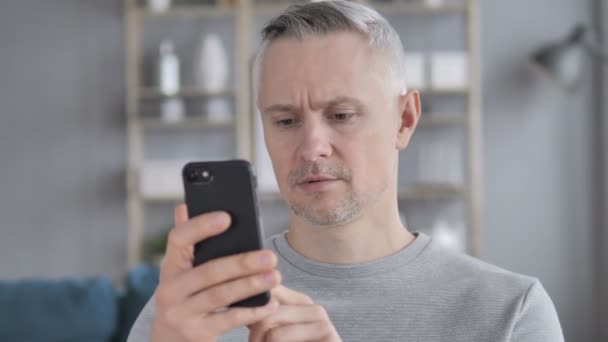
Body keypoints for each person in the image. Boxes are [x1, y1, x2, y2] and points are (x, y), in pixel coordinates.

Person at [128, 1, 564, 341]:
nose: (312, 146)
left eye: (341, 115)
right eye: (285, 121)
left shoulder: (510, 313)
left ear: (405, 119)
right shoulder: (189, 312)